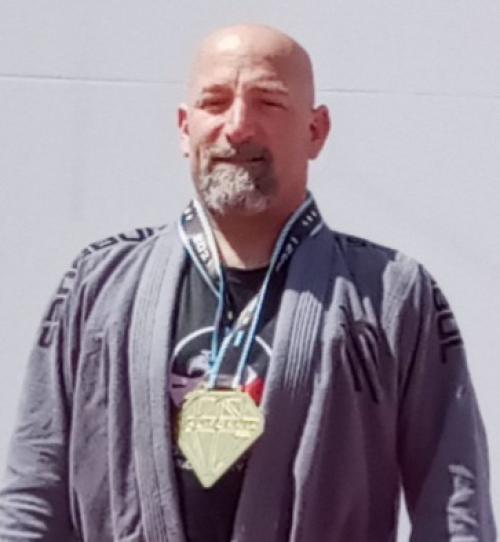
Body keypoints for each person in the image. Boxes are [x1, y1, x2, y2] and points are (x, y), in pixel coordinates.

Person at [0, 23, 496, 542]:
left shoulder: (391, 293)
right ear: (184, 128)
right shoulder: (99, 284)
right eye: (214, 102)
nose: (237, 127)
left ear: (316, 131)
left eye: (268, 102)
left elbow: (455, 510)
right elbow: (34, 490)